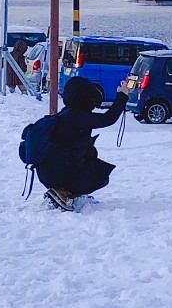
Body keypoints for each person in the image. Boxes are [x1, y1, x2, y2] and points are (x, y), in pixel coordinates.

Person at [35, 76, 129, 211]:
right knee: (99, 173)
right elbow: (108, 118)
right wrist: (122, 95)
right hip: (59, 173)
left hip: (47, 171)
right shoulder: (77, 117)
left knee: (88, 155)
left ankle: (65, 190)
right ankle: (65, 192)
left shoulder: (65, 114)